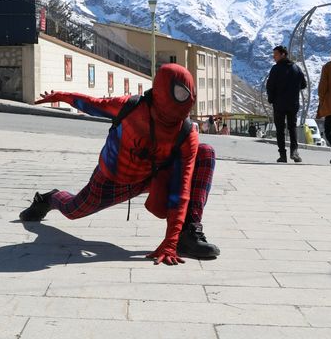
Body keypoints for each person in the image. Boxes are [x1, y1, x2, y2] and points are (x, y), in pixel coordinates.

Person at [20, 64, 221, 265]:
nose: (182, 103)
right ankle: (49, 198)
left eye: (186, 95)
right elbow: (93, 104)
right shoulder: (131, 107)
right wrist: (62, 96)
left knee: (205, 153)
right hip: (113, 179)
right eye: (178, 94)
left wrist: (171, 241)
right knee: (73, 210)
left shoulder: (186, 132)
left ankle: (188, 233)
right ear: (161, 91)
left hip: (154, 175)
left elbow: (181, 189)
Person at [266, 45, 307, 163]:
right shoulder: (296, 68)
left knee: (280, 130)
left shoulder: (275, 69)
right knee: (292, 127)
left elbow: (270, 86)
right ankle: (294, 152)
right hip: (293, 103)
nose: (274, 57)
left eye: (276, 54)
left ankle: (282, 155)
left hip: (279, 103)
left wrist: (271, 99)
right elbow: (303, 84)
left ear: (283, 54)